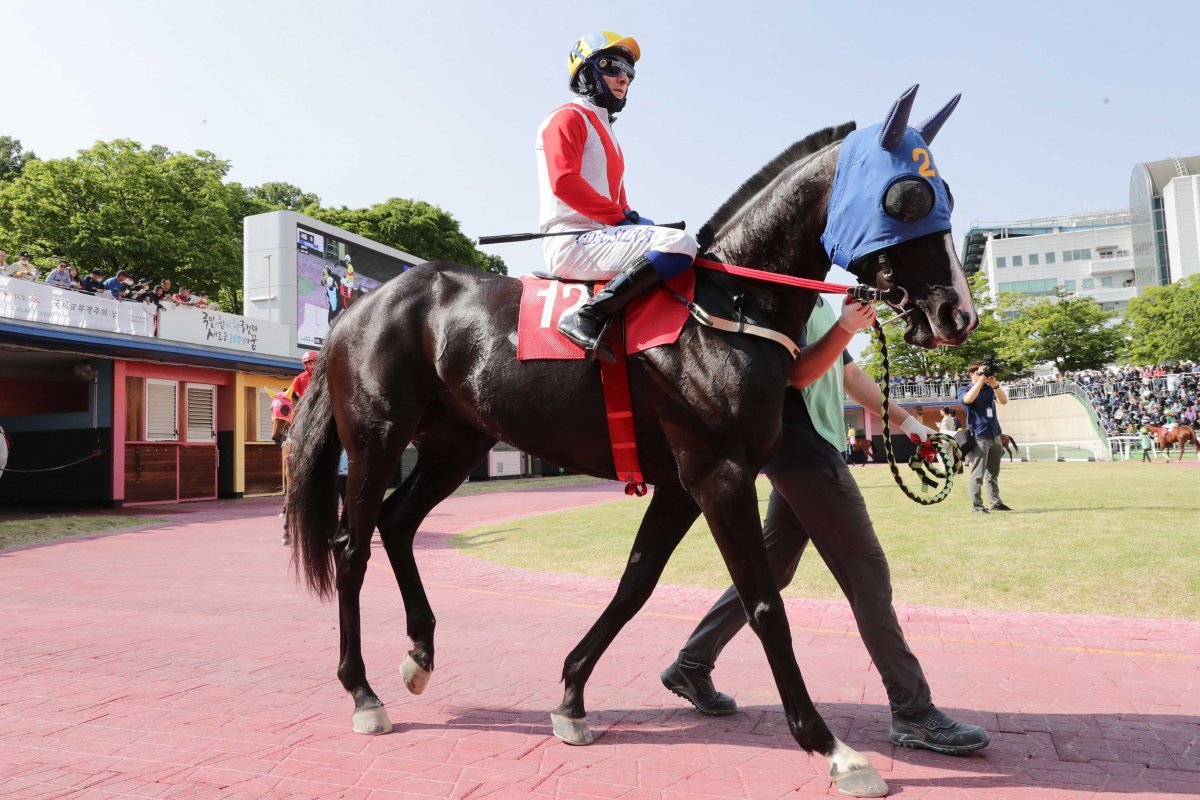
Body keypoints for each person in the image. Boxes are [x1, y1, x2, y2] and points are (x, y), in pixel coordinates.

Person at [661, 296, 990, 756]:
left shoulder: (815, 299)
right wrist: (844, 326)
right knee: (866, 573)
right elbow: (799, 375)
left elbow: (849, 375)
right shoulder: (776, 299)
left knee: (771, 570)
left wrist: (911, 423)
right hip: (801, 448)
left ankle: (691, 664)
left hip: (812, 448)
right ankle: (913, 711)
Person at [536, 30, 698, 362]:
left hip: (599, 236)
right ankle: (588, 315)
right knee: (681, 243)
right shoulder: (568, 117)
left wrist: (630, 216)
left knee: (676, 242)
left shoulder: (607, 131)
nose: (623, 77)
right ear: (585, 71)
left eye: (629, 72)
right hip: (572, 240)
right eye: (612, 66)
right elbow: (564, 181)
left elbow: (618, 204)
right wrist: (621, 217)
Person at [957, 361, 1011, 513]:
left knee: (993, 474)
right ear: (971, 374)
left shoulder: (989, 389)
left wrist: (994, 383)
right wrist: (981, 379)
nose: (984, 376)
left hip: (995, 435)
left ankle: (996, 502)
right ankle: (977, 506)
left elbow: (1003, 401)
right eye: (979, 372)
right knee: (978, 474)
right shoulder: (964, 389)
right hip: (979, 436)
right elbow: (968, 400)